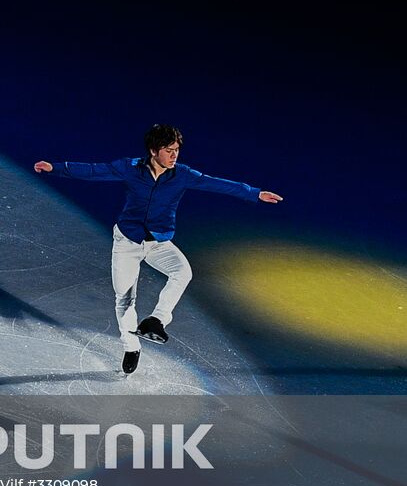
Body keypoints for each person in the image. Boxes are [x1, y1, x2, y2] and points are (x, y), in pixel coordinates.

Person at [33, 124, 282, 375]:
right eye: (169, 150)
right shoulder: (130, 168)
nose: (174, 155)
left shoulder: (182, 174)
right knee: (124, 299)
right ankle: (131, 346)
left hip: (158, 243)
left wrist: (255, 193)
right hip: (127, 243)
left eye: (177, 150)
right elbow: (94, 171)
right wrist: (55, 167)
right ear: (153, 151)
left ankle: (157, 320)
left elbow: (216, 184)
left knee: (182, 272)